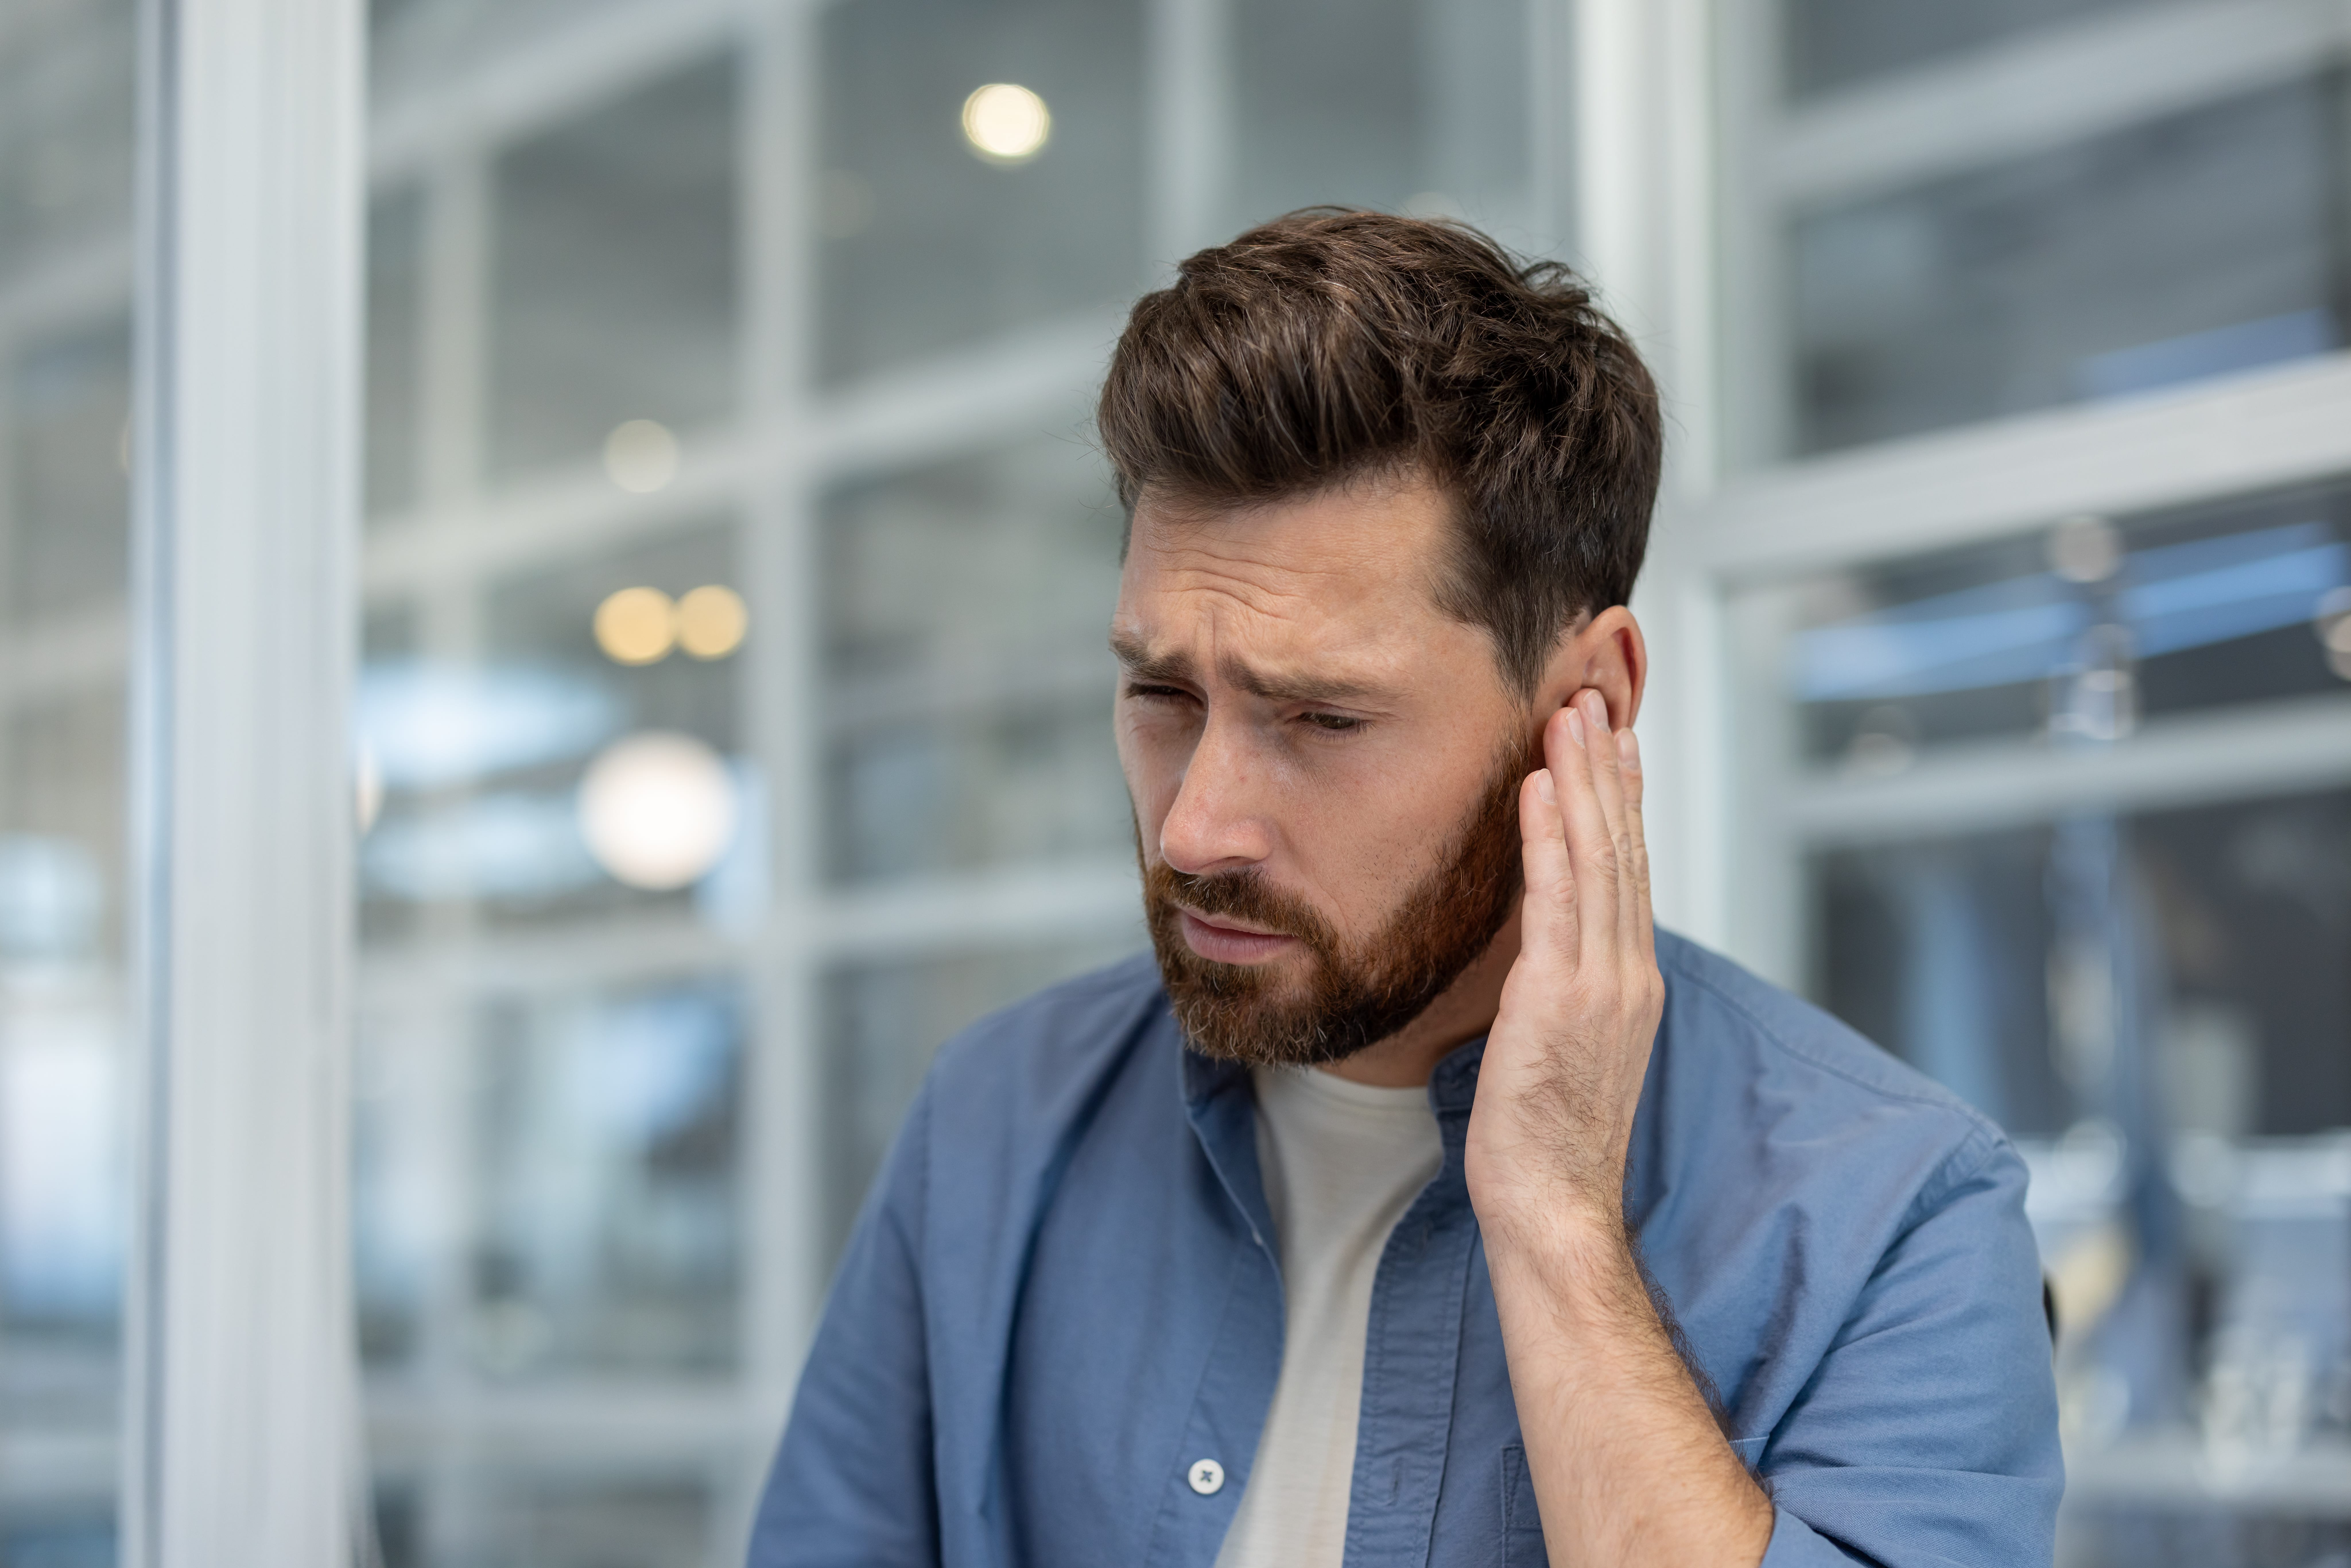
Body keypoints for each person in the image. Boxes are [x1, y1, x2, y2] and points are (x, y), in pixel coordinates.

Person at [749, 210, 2061, 1568]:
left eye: (1320, 718)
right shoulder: (993, 1122)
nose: (1193, 828)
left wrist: (1555, 1221)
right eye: (1160, 695)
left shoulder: (1896, 1221)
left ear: (1588, 703)